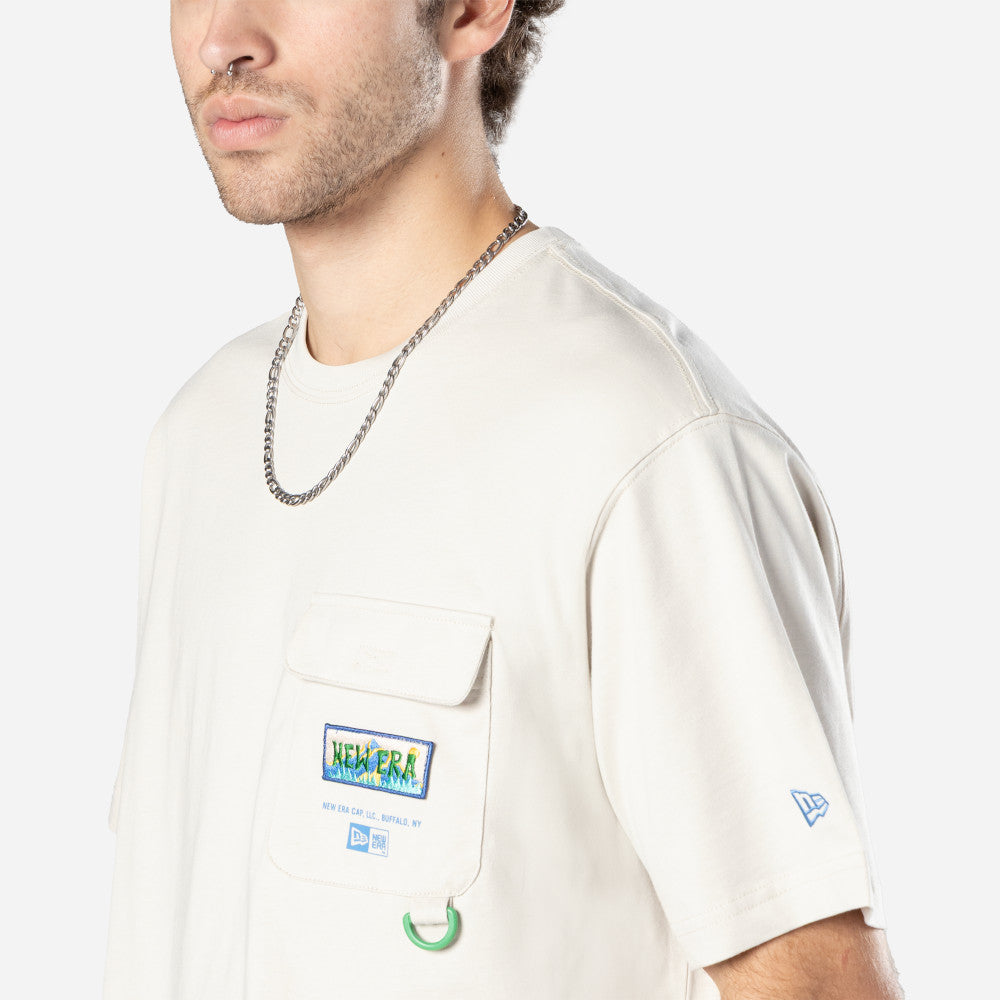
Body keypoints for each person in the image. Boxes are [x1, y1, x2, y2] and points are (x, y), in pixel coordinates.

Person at [102, 2, 904, 997]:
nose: (225, 38)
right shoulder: (201, 435)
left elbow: (817, 982)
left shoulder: (642, 441)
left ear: (475, 10)